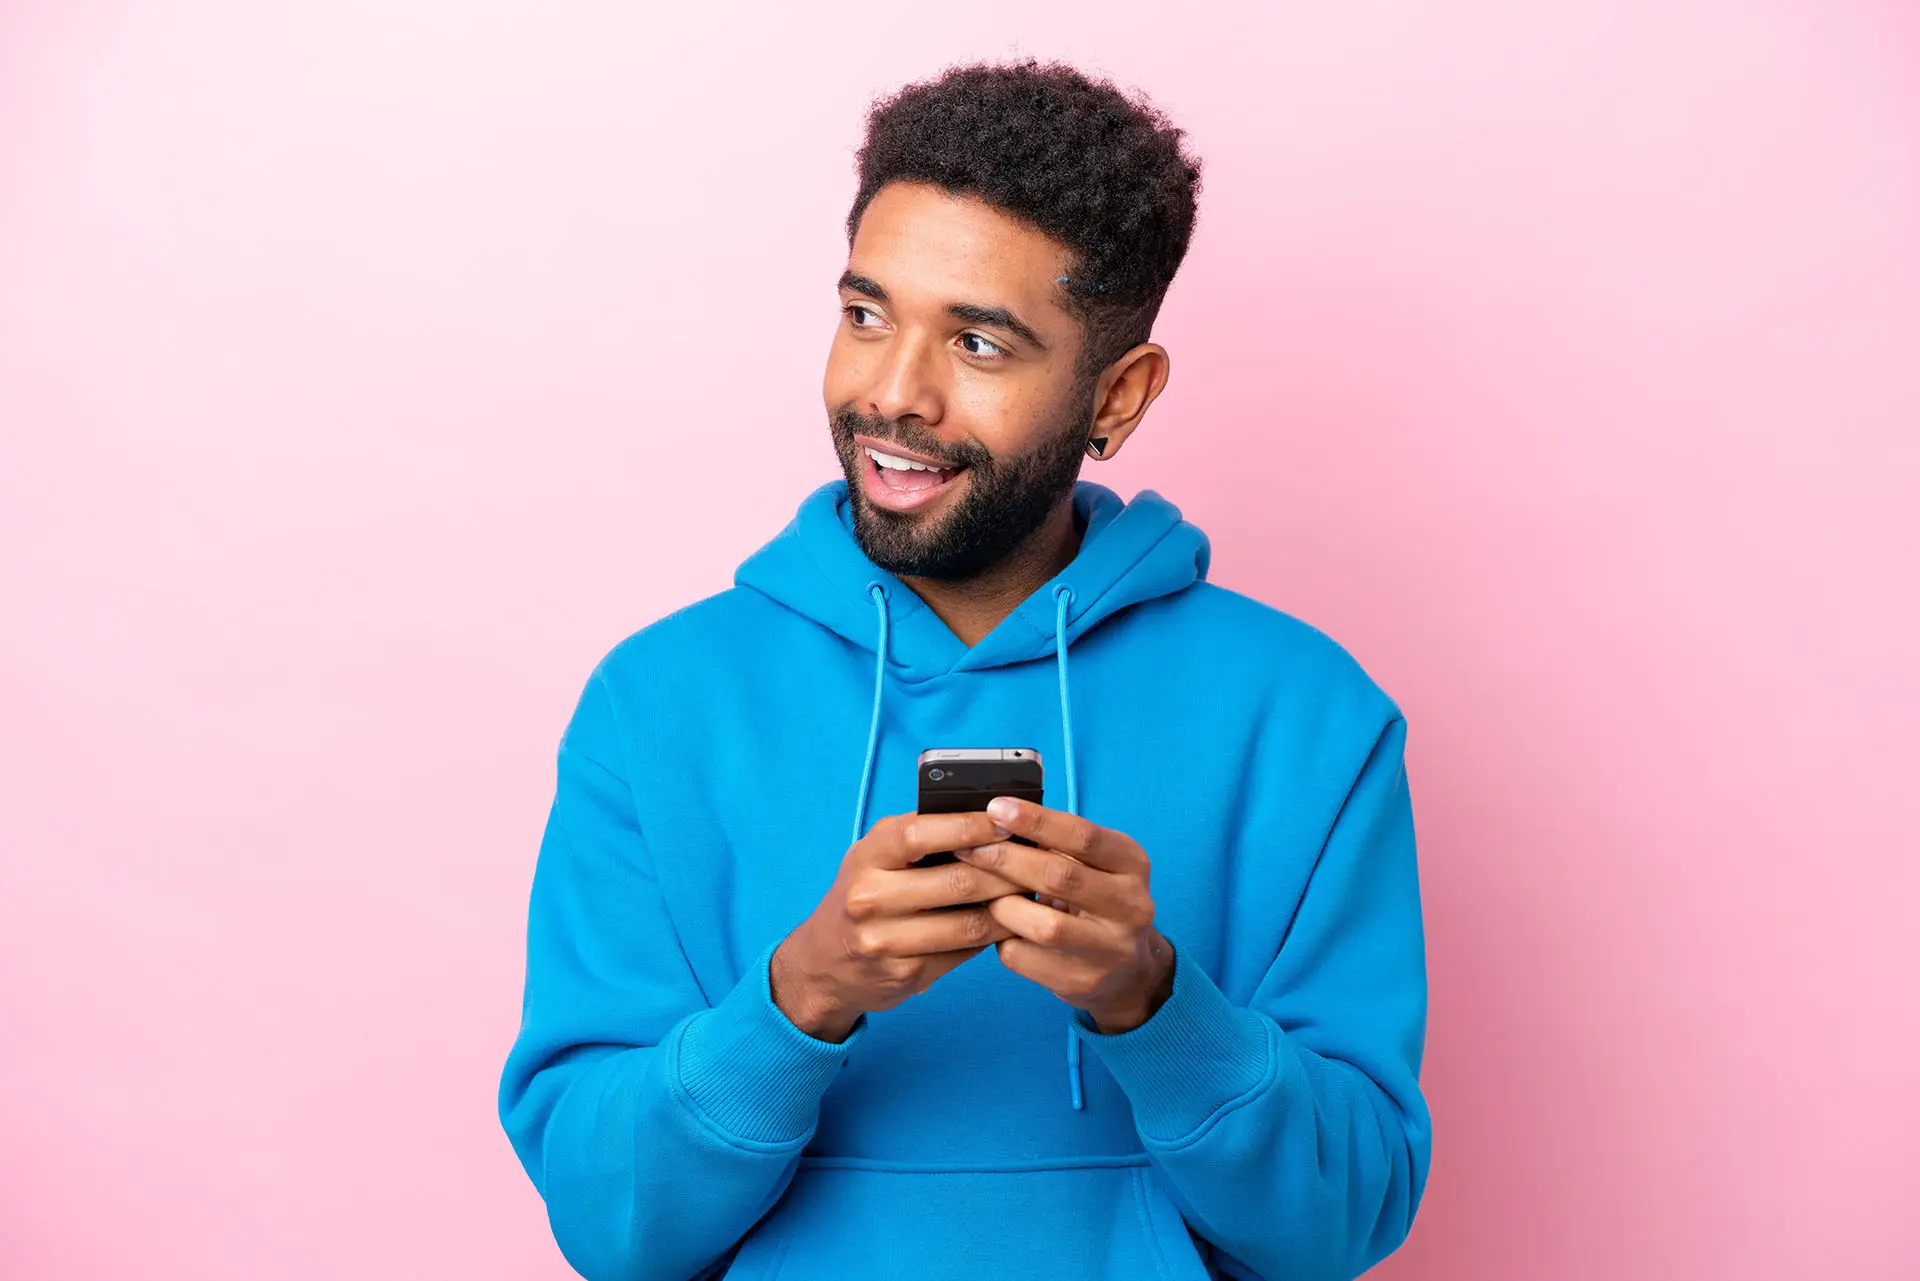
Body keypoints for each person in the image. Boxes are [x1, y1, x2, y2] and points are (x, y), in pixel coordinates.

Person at [498, 58, 1431, 1281]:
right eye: (866, 314)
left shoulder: (1309, 715)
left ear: (1119, 395)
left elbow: (1340, 1228)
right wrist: (800, 997)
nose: (892, 394)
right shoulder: (656, 704)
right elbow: (610, 1229)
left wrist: (1154, 1004)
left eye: (980, 343)